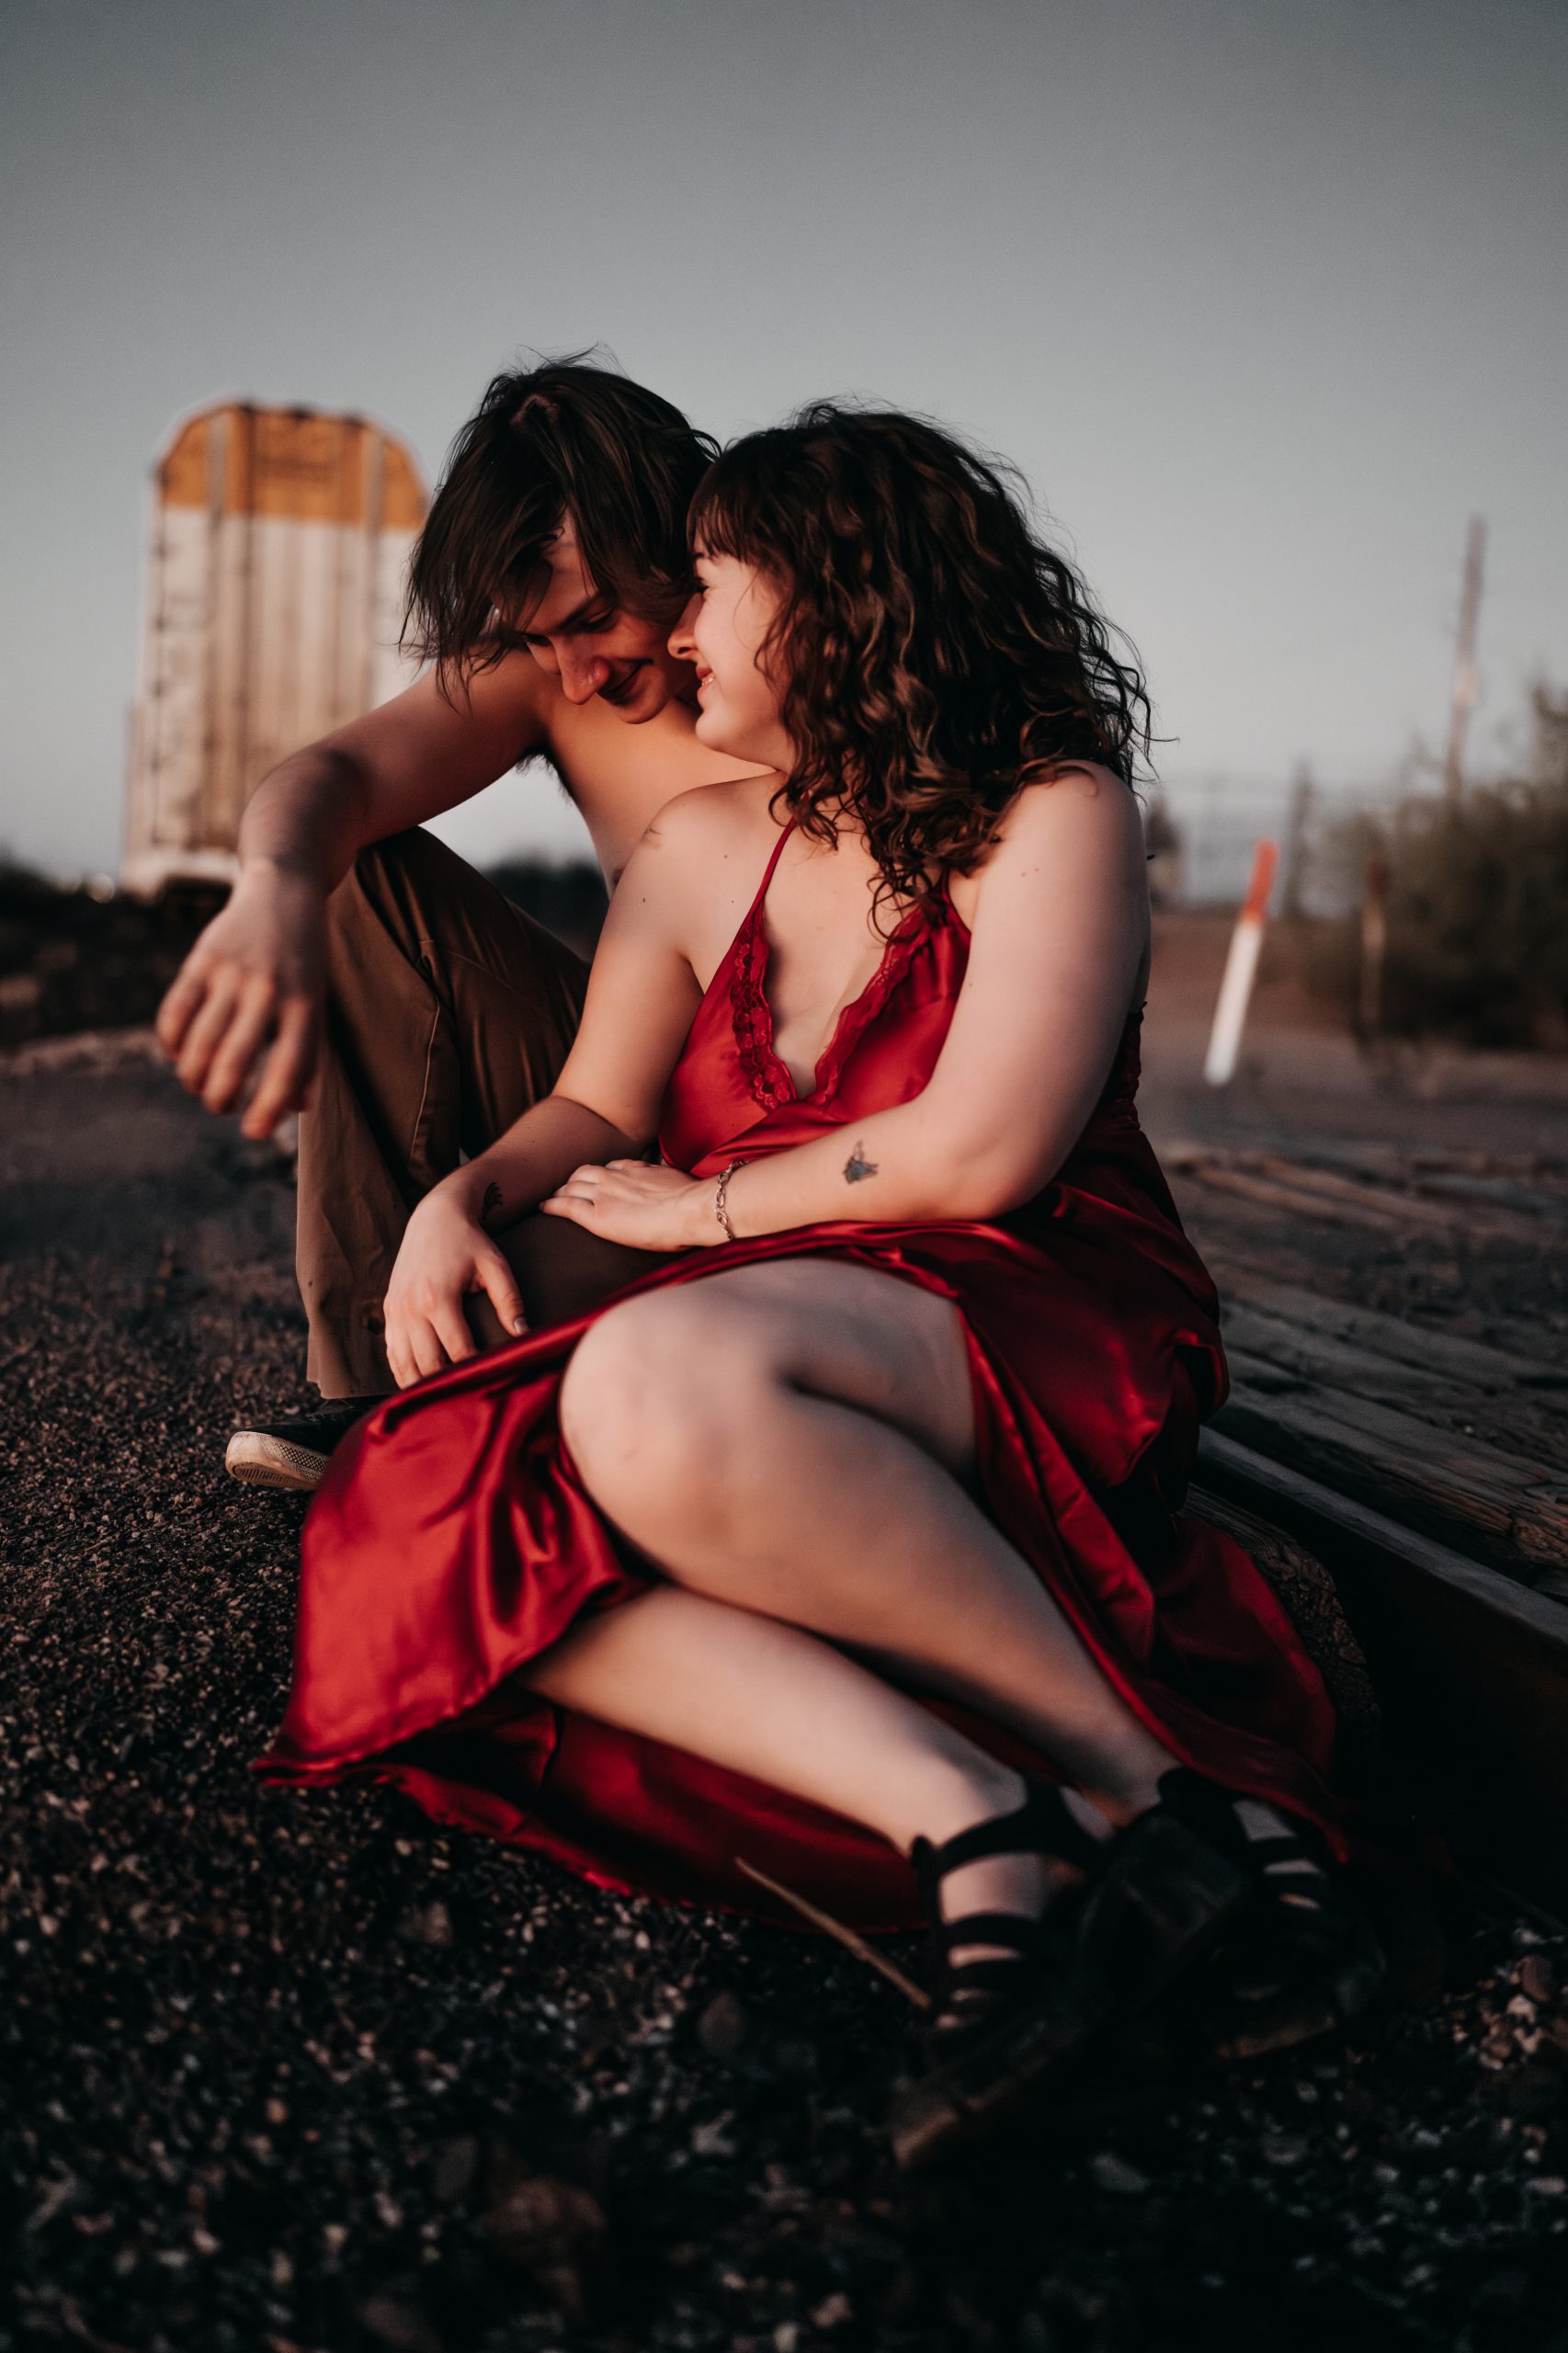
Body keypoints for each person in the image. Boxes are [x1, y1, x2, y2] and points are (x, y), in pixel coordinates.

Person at [256, 406, 1380, 2165]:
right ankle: (988, 1819)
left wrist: (700, 1224)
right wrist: (457, 1200)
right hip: (779, 1314)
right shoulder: (705, 847)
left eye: (709, 582)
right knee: (402, 1508)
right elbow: (588, 1107)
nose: (676, 631)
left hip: (1022, 1300)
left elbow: (982, 1155)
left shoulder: (1053, 809)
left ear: (841, 600)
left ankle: (1164, 1785)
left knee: (636, 1387)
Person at [153, 358, 781, 1489]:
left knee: (524, 1357)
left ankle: (454, 1383)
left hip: (807, 1120)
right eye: (543, 639)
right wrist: (274, 887)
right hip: (620, 1102)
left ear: (673, 536)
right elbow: (339, 771)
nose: (577, 675)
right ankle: (362, 1385)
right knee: (350, 867)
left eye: (593, 619)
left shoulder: (802, 642)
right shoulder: (550, 678)